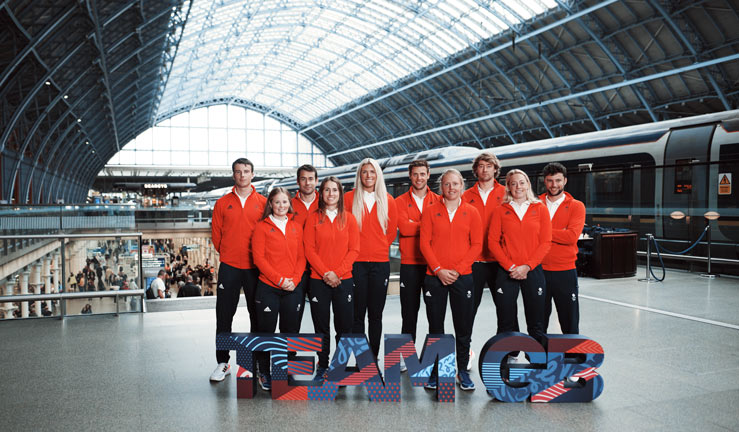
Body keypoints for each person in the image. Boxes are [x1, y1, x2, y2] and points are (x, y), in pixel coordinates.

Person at [420, 169, 481, 391]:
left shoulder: (472, 212)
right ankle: (436, 372)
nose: (451, 188)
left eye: (455, 184)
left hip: (463, 278)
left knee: (463, 327)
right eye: (447, 184)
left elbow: (476, 245)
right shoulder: (429, 211)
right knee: (436, 327)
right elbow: (424, 244)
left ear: (462, 186)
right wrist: (438, 270)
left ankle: (462, 371)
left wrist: (457, 270)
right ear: (441, 187)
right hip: (434, 277)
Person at [210, 158, 267, 382]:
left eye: (246, 171)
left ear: (253, 174)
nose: (242, 175)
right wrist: (229, 253)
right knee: (224, 315)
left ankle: (258, 363)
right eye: (238, 172)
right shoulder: (223, 203)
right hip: (230, 267)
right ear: (233, 175)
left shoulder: (263, 202)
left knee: (258, 315)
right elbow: (216, 236)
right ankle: (223, 363)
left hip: (255, 267)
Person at [303, 177, 360, 381]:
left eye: (334, 190)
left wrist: (338, 273)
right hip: (319, 281)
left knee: (344, 326)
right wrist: (326, 273)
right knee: (322, 326)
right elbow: (309, 249)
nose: (331, 194)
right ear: (322, 193)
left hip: (344, 280)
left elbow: (354, 250)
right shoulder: (313, 218)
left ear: (340, 193)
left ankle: (339, 366)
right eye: (326, 190)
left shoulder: (350, 219)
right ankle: (323, 365)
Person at [488, 169, 552, 349]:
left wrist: (527, 266)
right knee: (505, 320)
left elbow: (546, 242)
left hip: (533, 271)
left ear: (528, 185)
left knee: (536, 321)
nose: (518, 186)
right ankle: (509, 359)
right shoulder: (500, 210)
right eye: (513, 183)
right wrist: (510, 266)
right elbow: (493, 243)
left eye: (522, 182)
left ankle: (538, 364)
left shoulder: (540, 209)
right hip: (506, 271)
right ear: (508, 187)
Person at [251, 187, 306, 391]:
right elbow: (259, 259)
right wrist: (279, 280)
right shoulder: (261, 228)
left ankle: (287, 371)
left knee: (290, 331)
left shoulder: (296, 227)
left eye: (284, 202)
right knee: (266, 332)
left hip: (293, 287)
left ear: (289, 204)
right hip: (269, 288)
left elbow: (302, 256)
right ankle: (264, 372)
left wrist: (295, 279)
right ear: (270, 205)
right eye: (277, 202)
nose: (281, 206)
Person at [345, 158, 398, 358]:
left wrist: (380, 247)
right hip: (356, 264)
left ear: (378, 175)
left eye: (372, 172)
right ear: (359, 175)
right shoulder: (349, 198)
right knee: (357, 315)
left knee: (376, 315)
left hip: (379, 264)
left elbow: (391, 231)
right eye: (364, 172)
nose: (368, 176)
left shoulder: (387, 199)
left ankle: (373, 358)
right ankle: (361, 358)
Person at [461, 152, 505, 370]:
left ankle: (505, 352)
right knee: (468, 311)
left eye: (489, 166)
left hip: (500, 262)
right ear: (476, 170)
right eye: (481, 166)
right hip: (474, 263)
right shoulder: (465, 195)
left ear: (496, 169)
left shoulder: (506, 193)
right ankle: (465, 351)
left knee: (505, 312)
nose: (485, 169)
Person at [395, 160, 440, 349]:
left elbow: (441, 230)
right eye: (415, 174)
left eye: (422, 174)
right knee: (409, 314)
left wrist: (416, 224)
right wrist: (429, 226)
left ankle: (435, 355)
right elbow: (404, 229)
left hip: (433, 265)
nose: (419, 178)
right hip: (410, 264)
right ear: (410, 175)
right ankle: (407, 355)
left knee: (435, 314)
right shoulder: (399, 201)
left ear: (428, 175)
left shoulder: (439, 200)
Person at [539, 163, 586, 335]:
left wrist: (542, 231)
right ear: (545, 181)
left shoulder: (576, 206)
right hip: (538, 270)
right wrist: (560, 233)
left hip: (565, 270)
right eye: (550, 181)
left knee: (569, 319)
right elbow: (527, 235)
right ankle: (538, 357)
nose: (554, 185)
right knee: (538, 319)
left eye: (558, 180)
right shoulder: (534, 204)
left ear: (565, 181)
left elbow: (571, 237)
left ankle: (573, 356)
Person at [291, 164, 319, 330]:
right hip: (295, 270)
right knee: (293, 318)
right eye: (303, 179)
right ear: (298, 181)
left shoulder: (325, 204)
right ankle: (290, 355)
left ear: (316, 181)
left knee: (320, 319)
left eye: (310, 179)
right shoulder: (288, 205)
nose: (307, 183)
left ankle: (322, 356)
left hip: (318, 270)